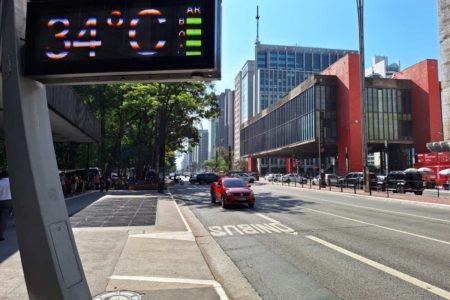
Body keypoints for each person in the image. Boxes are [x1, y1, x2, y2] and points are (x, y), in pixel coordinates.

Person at [0, 169, 12, 242]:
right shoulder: (11, 181)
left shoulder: (0, 182)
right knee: (4, 218)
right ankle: (0, 235)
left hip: (0, 200)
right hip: (9, 201)